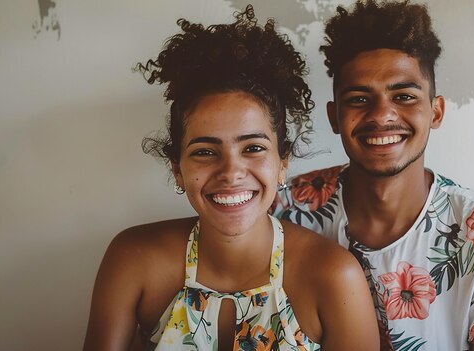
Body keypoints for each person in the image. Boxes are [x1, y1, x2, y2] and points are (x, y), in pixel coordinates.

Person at [83, 5, 379, 351]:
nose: (231, 173)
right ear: (177, 169)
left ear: (282, 163)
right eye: (205, 152)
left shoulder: (334, 277)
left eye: (253, 148)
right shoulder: (133, 258)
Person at [273, 1, 474, 350]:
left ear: (436, 111)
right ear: (334, 116)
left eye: (403, 96)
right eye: (359, 99)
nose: (382, 114)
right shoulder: (282, 210)